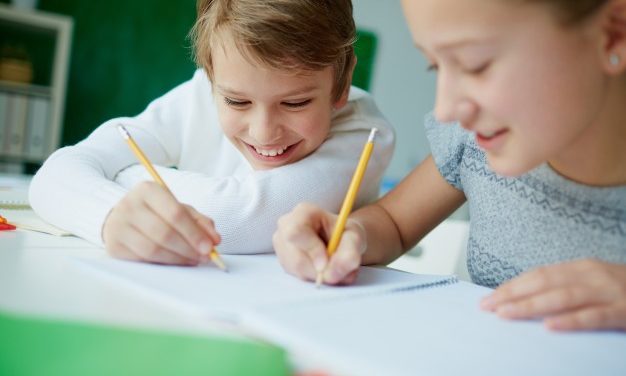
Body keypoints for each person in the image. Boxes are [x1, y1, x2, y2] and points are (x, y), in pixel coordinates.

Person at [272, 0, 626, 331]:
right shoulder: (473, 141)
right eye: (435, 66)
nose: (445, 109)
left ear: (614, 33)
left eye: (476, 65)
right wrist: (349, 234)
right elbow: (393, 224)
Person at [29, 0, 394, 266]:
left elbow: (231, 219)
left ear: (342, 82)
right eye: (236, 101)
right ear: (211, 76)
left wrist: (120, 177)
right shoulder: (199, 94)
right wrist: (108, 216)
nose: (264, 132)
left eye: (296, 103)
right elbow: (53, 177)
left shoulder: (365, 133)